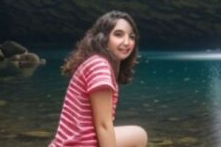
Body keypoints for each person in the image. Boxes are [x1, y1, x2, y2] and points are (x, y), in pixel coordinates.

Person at [50, 11, 148, 147]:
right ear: (103, 38)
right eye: (118, 34)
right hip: (80, 144)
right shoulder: (100, 67)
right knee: (139, 136)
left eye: (131, 37)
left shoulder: (96, 62)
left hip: (69, 143)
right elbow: (103, 125)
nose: (127, 42)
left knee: (138, 134)